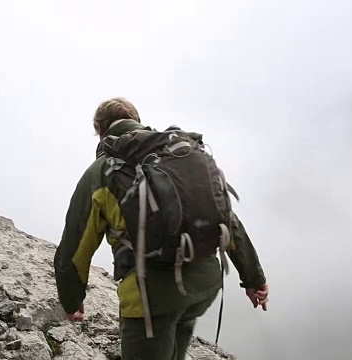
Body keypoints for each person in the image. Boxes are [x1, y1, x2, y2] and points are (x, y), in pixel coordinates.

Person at [53, 97, 269, 360]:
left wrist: (72, 300)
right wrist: (254, 279)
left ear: (100, 130)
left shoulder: (102, 171)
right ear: (137, 121)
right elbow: (228, 220)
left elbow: (77, 242)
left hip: (150, 297)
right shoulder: (180, 155)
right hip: (202, 284)